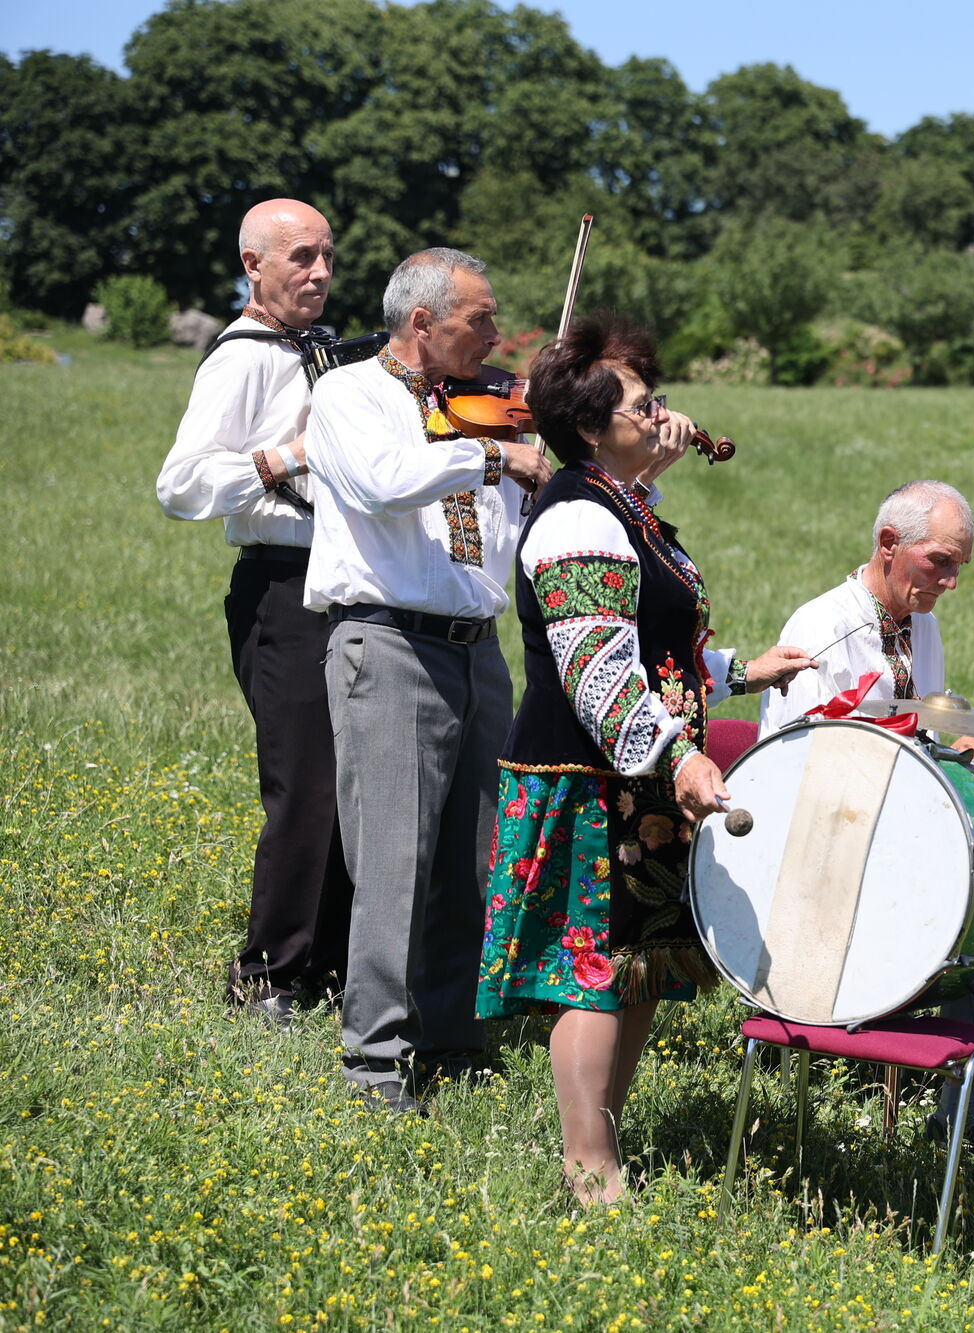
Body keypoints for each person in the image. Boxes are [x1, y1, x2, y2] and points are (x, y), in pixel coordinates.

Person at [476, 315, 814, 1203]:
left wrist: (741, 670)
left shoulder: (626, 508)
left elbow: (656, 647)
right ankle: (588, 1166)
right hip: (588, 776)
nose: (663, 414)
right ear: (589, 428)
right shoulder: (576, 520)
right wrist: (683, 759)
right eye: (642, 402)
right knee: (592, 972)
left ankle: (605, 1133)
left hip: (642, 772)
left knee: (638, 967)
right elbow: (597, 673)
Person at [763, 482, 974, 1133]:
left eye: (959, 567)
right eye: (939, 561)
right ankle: (970, 1101)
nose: (950, 581)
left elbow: (919, 742)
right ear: (889, 544)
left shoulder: (924, 627)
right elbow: (795, 772)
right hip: (828, 860)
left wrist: (958, 754)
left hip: (898, 835)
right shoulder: (821, 627)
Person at [303, 247, 553, 1113]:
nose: (495, 335)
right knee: (394, 858)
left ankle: (451, 1037)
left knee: (474, 856)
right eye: (479, 320)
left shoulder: (483, 415)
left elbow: (508, 538)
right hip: (389, 641)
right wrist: (491, 460)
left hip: (475, 647)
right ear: (422, 322)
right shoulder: (348, 395)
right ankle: (374, 1058)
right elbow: (381, 484)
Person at [156, 198, 352, 1023]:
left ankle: (331, 965)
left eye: (327, 257)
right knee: (304, 785)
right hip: (280, 584)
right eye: (300, 257)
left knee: (349, 785)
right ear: (254, 266)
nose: (319, 273)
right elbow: (181, 483)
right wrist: (282, 458)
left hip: (343, 585)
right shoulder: (240, 358)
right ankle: (266, 975)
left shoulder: (324, 353)